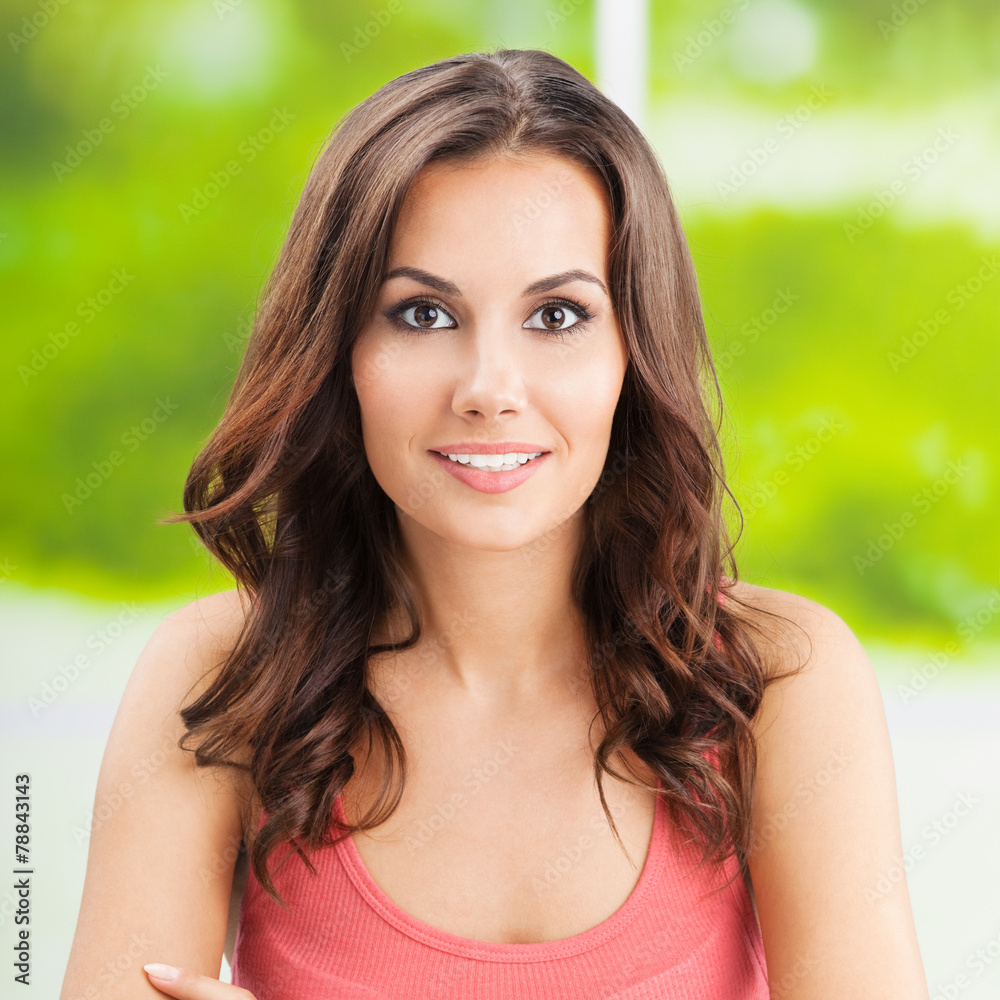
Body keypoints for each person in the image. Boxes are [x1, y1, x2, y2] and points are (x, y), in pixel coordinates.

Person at [60, 48, 929, 1000]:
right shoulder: (225, 677)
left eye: (556, 317)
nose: (489, 391)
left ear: (633, 354)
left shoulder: (780, 684)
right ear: (338, 351)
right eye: (424, 315)